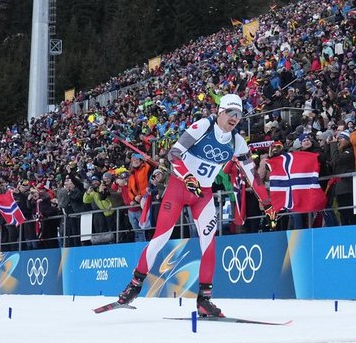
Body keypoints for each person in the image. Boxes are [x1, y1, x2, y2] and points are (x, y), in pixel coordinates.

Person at [115, 94, 272, 317]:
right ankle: (134, 285)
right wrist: (188, 176)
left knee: (210, 244)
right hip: (179, 189)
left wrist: (266, 202)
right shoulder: (203, 126)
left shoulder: (237, 141)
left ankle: (204, 300)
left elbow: (251, 174)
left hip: (203, 195)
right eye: (231, 113)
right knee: (160, 238)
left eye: (239, 114)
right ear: (220, 111)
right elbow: (174, 153)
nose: (235, 118)